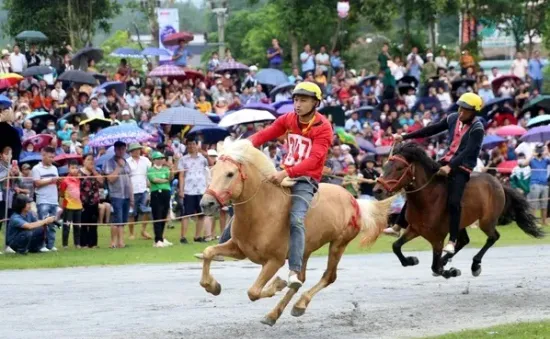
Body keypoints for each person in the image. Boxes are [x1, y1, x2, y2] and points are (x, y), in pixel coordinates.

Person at [197, 82, 333, 289]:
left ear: (316, 103)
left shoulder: (323, 127)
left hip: (305, 179)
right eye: (296, 100)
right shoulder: (288, 119)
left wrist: (287, 172)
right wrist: (238, 149)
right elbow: (263, 135)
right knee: (246, 203)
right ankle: (226, 245)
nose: (298, 105)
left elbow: (315, 159)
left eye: (303, 101)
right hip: (283, 172)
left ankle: (295, 270)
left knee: (296, 219)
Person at [385, 93, 485, 255]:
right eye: (460, 107)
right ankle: (398, 225)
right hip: (445, 161)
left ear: (474, 112)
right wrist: (404, 136)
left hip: (462, 167)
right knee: (416, 182)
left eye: (465, 109)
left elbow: (468, 151)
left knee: (454, 201)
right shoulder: (453, 118)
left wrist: (450, 167)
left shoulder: (477, 128)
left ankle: (453, 240)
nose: (461, 111)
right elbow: (430, 130)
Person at [103, 141, 133, 248]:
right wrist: (118, 167)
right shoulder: (109, 162)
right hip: (116, 194)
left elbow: (129, 179)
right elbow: (110, 179)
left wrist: (132, 196)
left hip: (126, 195)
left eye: (123, 149)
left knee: (123, 220)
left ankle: (121, 241)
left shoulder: (126, 161)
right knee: (117, 219)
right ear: (115, 150)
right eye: (119, 149)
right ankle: (114, 242)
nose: (121, 151)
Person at [32, 146, 60, 252]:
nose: (52, 159)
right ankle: (41, 245)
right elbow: (37, 183)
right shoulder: (36, 168)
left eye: (53, 157)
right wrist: (51, 180)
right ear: (43, 155)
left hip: (54, 199)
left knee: (52, 224)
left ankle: (50, 245)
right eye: (50, 157)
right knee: (43, 224)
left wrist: (58, 181)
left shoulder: (54, 168)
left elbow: (55, 182)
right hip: (43, 200)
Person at [147, 151, 174, 248]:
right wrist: (164, 180)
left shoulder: (165, 169)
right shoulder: (151, 170)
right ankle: (157, 239)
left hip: (166, 193)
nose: (160, 160)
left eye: (161, 158)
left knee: (163, 215)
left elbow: (170, 178)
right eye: (157, 159)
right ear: (153, 160)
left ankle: (161, 238)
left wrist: (171, 170)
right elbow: (154, 180)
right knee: (157, 216)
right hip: (156, 193)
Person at [59, 160, 82, 248]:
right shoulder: (65, 181)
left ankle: (77, 243)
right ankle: (65, 244)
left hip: (78, 206)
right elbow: (61, 193)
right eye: (72, 168)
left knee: (78, 226)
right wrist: (61, 206)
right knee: (67, 226)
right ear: (68, 169)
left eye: (76, 168)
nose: (74, 170)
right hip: (68, 206)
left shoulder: (79, 180)